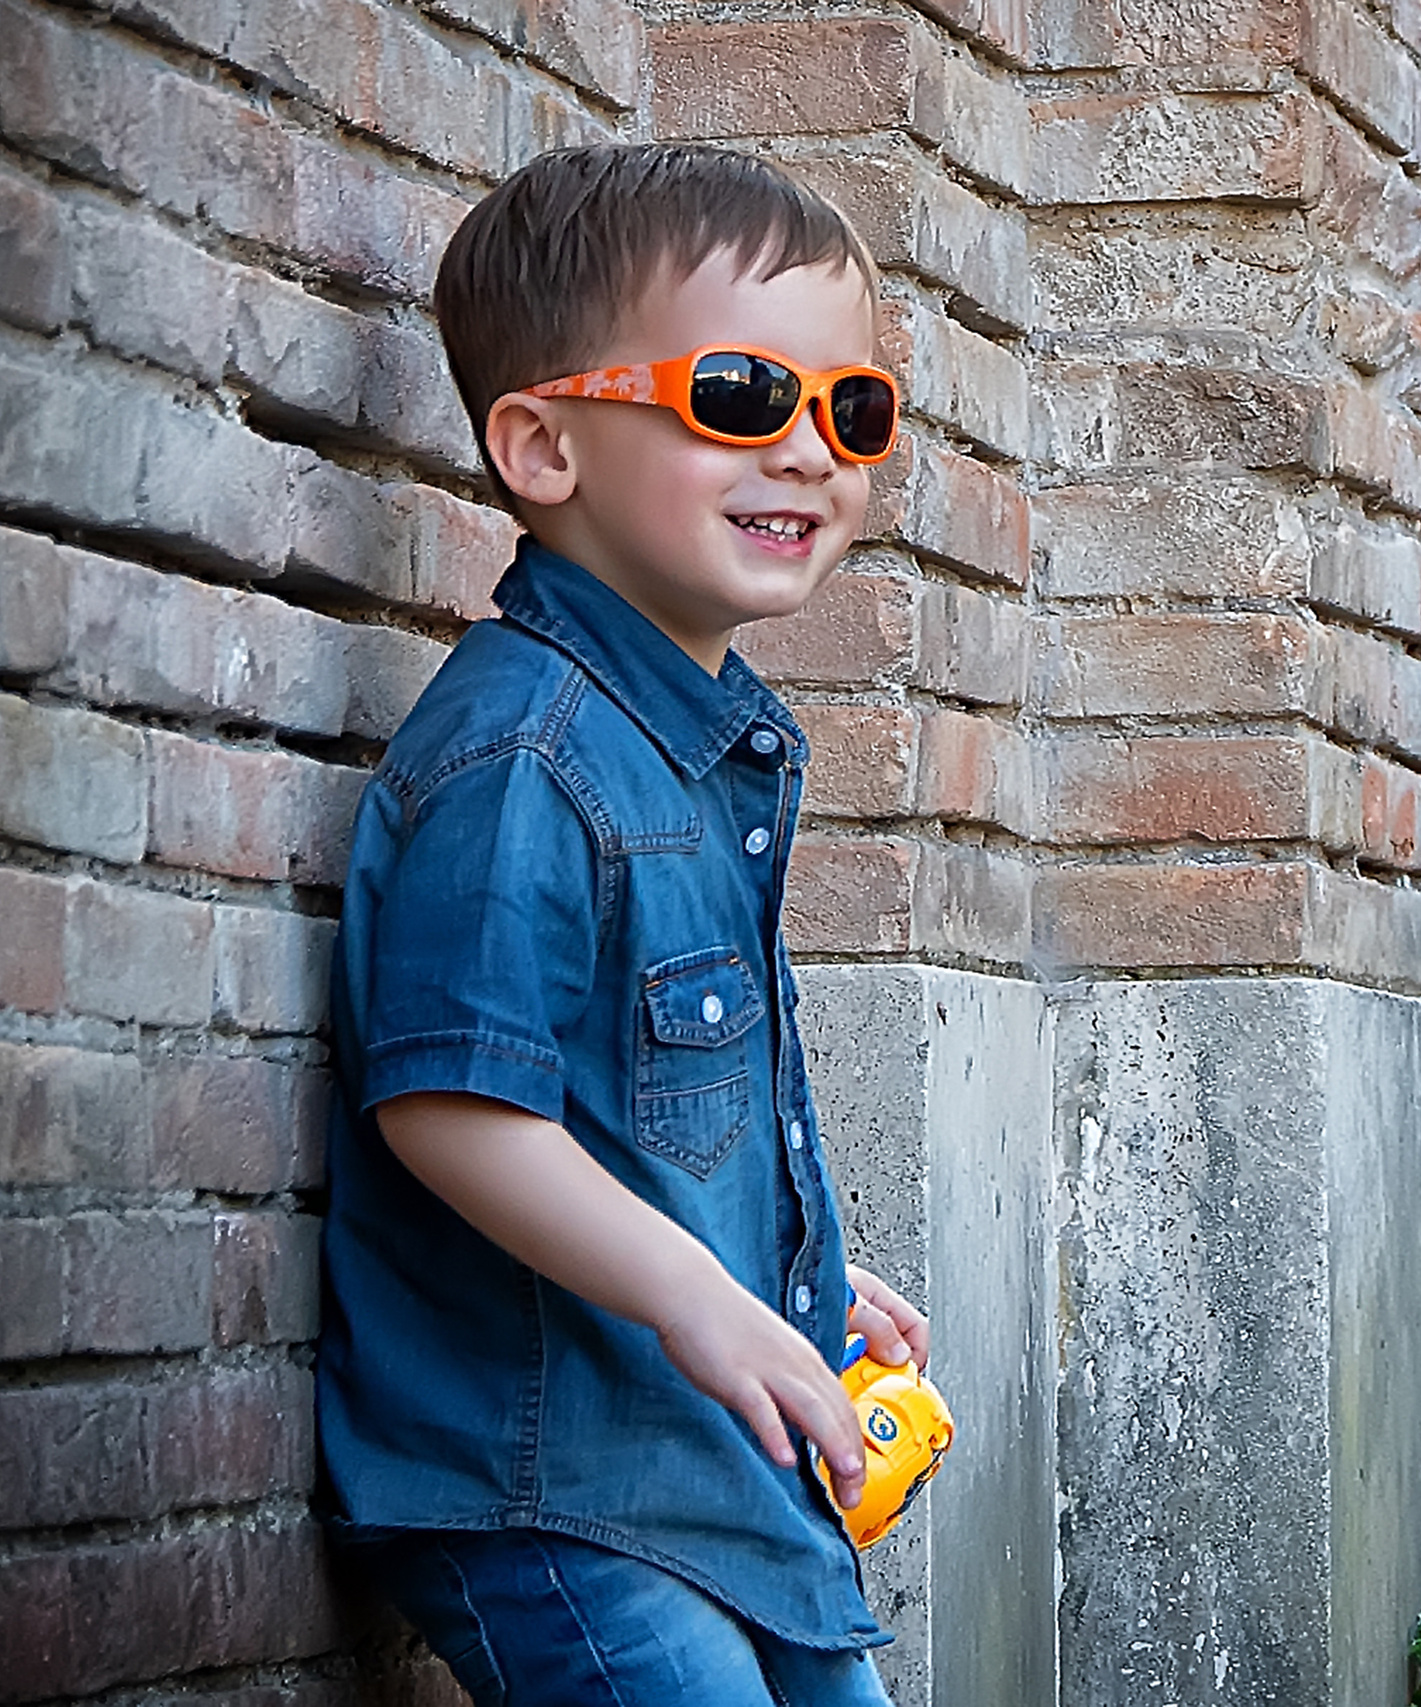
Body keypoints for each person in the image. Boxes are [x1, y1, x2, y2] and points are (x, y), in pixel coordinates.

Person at [317, 142, 926, 1707]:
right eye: (739, 396)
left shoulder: (691, 743)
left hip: (709, 1481)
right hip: (559, 1498)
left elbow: (631, 1102)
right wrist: (701, 1298)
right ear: (543, 445)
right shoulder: (526, 757)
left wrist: (785, 1270)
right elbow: (455, 1109)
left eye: (851, 410)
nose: (812, 454)